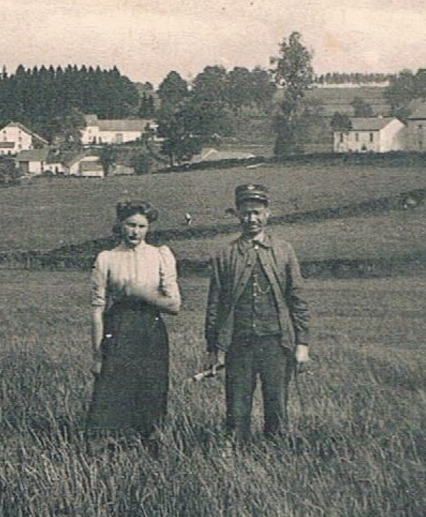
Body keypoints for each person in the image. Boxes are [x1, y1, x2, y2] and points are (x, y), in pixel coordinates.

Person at [203, 184, 309, 441]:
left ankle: (275, 454)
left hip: (276, 342)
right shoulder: (225, 254)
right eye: (246, 212)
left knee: (277, 404)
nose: (252, 219)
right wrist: (213, 348)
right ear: (237, 214)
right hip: (239, 344)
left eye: (257, 212)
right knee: (237, 406)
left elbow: (298, 298)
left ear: (268, 214)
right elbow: (214, 305)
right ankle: (236, 455)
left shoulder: (284, 251)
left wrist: (302, 343)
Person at [86, 200, 181, 447]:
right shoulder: (107, 258)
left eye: (141, 226)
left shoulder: (160, 255)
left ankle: (149, 445)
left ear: (148, 228)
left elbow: (174, 305)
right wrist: (97, 355)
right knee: (112, 389)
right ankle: (107, 448)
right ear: (120, 225)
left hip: (151, 330)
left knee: (151, 388)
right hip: (117, 329)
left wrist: (141, 293)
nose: (135, 231)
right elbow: (97, 309)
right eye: (130, 225)